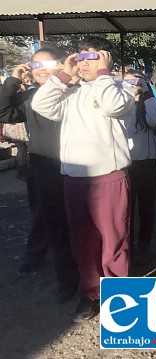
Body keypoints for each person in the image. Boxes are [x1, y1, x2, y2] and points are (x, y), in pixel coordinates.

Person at [31, 36, 134, 322]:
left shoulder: (119, 90)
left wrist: (104, 74)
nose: (84, 64)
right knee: (82, 241)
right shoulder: (71, 93)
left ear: (105, 59)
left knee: (114, 240)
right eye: (81, 58)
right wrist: (64, 75)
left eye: (92, 58)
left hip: (109, 178)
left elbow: (114, 107)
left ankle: (118, 298)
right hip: (75, 179)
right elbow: (41, 104)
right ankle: (90, 293)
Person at [0, 47, 79, 303]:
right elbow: (3, 112)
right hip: (44, 169)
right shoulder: (30, 97)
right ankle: (65, 279)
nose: (41, 69)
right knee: (51, 222)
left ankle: (87, 273)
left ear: (60, 66)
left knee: (79, 224)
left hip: (79, 168)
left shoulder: (75, 92)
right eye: (36, 65)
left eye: (48, 63)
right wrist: (13, 79)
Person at [123, 70, 156, 265]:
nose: (133, 84)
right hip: (126, 162)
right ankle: (127, 246)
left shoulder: (149, 101)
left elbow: (154, 119)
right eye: (129, 81)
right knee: (126, 208)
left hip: (147, 162)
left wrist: (147, 93)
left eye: (137, 81)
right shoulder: (121, 101)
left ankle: (144, 245)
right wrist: (128, 92)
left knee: (147, 207)